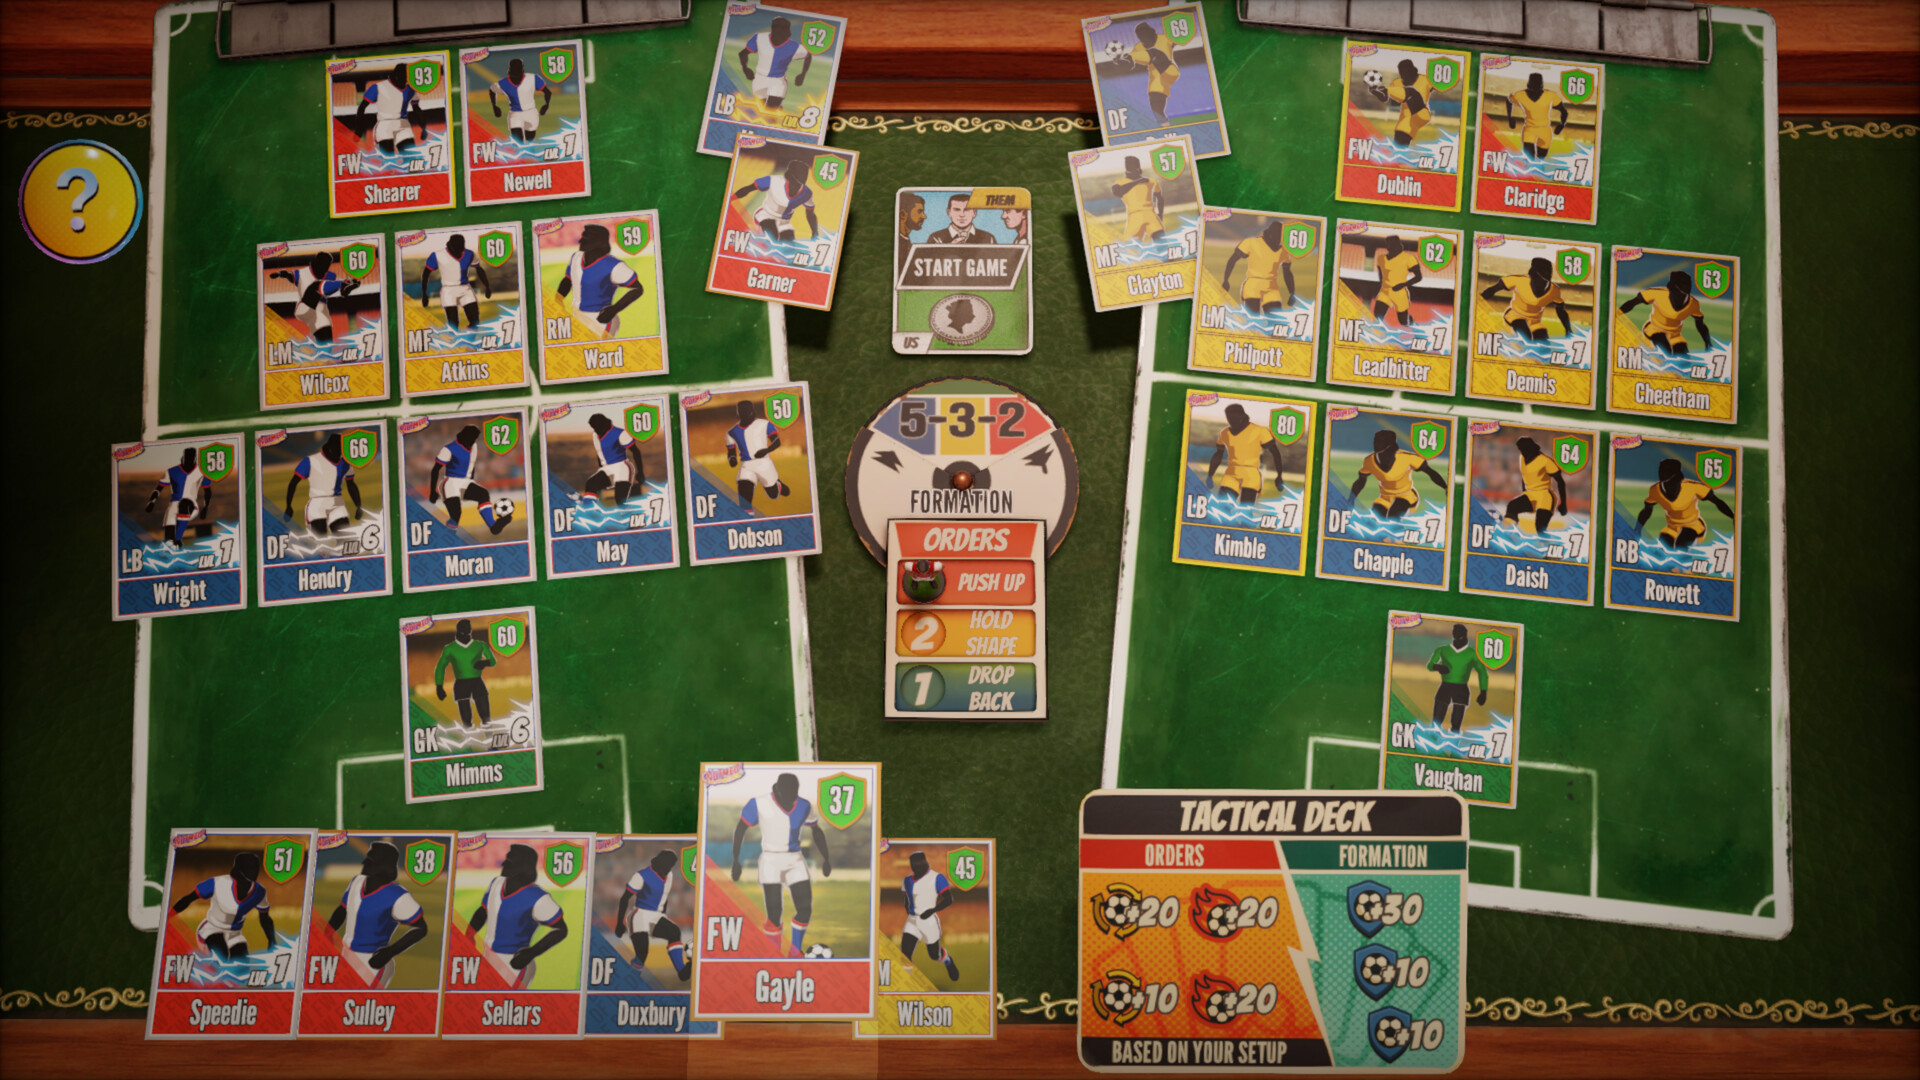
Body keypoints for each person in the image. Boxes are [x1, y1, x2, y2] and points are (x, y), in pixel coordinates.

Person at [731, 772, 832, 957]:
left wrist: (826, 858)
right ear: (777, 790)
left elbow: (816, 831)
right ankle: (773, 953)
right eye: (788, 795)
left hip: (795, 859)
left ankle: (795, 952)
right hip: (770, 860)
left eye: (794, 794)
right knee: (774, 914)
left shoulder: (804, 805)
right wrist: (735, 860)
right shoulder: (758, 803)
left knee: (805, 909)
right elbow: (740, 829)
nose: (791, 799)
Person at [326, 841, 428, 988]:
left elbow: (421, 928)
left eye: (371, 860)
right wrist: (327, 932)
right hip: (345, 955)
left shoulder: (397, 895)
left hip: (372, 961)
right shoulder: (356, 882)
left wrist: (389, 952)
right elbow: (342, 909)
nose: (364, 863)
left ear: (383, 865)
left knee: (364, 1001)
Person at [465, 843, 568, 987]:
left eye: (510, 860)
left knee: (507, 1000)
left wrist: (531, 953)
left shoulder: (537, 897)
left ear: (523, 866)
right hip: (487, 957)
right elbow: (483, 911)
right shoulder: (496, 883)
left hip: (514, 962)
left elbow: (561, 929)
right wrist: (469, 934)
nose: (504, 863)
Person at [171, 850, 275, 964]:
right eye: (250, 867)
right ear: (240, 868)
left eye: (256, 867)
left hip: (235, 934)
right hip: (212, 929)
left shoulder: (259, 891)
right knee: (222, 958)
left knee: (242, 966)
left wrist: (272, 940)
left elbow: (265, 918)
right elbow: (188, 899)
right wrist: (168, 916)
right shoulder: (217, 883)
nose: (254, 870)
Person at [556, 224, 644, 339]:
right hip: (577, 316)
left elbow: (637, 288)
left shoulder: (613, 265)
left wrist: (614, 309)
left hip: (600, 320)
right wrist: (558, 299)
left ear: (597, 242)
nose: (580, 241)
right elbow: (568, 280)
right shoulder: (576, 257)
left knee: (600, 349)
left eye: (585, 238)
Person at [616, 848, 691, 982]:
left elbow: (664, 896)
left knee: (674, 932)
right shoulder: (641, 876)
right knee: (642, 953)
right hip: (639, 915)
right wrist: (619, 923)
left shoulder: (669, 875)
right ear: (659, 863)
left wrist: (663, 917)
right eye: (667, 866)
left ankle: (681, 970)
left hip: (656, 916)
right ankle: (631, 978)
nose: (668, 869)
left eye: (670, 866)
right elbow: (624, 898)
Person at [428, 424, 511, 534]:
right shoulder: (449, 449)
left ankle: (493, 526)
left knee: (483, 494)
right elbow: (435, 469)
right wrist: (432, 491)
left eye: (474, 439)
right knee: (456, 514)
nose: (473, 441)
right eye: (471, 439)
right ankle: (449, 535)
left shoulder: (474, 446)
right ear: (463, 436)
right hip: (451, 483)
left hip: (466, 482)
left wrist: (471, 481)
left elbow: (471, 464)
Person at [1635, 457, 1732, 550]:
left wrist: (1733, 516)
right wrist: (1638, 528)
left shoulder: (1692, 487)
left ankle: (1685, 559)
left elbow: (1717, 502)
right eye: (1662, 470)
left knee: (1680, 548)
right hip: (1672, 527)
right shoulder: (1655, 490)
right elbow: (1647, 510)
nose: (1662, 473)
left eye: (1666, 471)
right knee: (1662, 551)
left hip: (1693, 525)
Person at [1349, 428, 1446, 520]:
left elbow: (1431, 472)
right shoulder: (1369, 461)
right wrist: (1351, 499)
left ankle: (1397, 530)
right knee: (1375, 521)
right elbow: (1360, 482)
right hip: (1385, 498)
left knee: (1393, 517)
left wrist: (1446, 487)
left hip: (1406, 496)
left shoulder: (1407, 458)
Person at [270, 251, 359, 346]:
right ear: (315, 263)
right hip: (305, 307)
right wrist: (281, 274)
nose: (323, 269)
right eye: (322, 266)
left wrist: (350, 284)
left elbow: (343, 292)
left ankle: (326, 352)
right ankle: (343, 283)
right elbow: (290, 276)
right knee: (315, 286)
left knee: (325, 331)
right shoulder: (302, 273)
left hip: (321, 311)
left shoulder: (331, 276)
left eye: (326, 267)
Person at [1206, 403, 1288, 505]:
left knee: (1245, 511)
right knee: (1222, 507)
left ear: (1241, 416)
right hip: (1231, 473)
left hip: (1251, 474)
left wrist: (1279, 475)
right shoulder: (1224, 433)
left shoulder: (1260, 431)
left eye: (1233, 418)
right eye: (1229, 418)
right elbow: (1218, 454)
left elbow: (1275, 453)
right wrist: (1210, 474)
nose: (1231, 421)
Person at [285, 432, 363, 537]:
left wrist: (358, 506)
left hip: (337, 503)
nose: (341, 451)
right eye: (339, 448)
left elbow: (351, 484)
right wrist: (289, 506)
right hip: (317, 504)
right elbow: (293, 483)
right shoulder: (310, 461)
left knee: (345, 540)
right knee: (320, 542)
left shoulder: (345, 463)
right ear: (331, 447)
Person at [1619, 269, 1712, 357]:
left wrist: (1708, 342)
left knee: (1684, 360)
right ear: (1674, 287)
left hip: (1675, 335)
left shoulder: (1693, 304)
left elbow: (1700, 324)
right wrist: (1616, 314)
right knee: (1665, 350)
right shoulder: (1657, 293)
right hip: (1654, 329)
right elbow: (1632, 302)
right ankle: (1648, 355)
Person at [900, 851, 961, 982]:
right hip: (912, 920)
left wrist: (933, 910)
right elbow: (906, 898)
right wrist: (909, 911)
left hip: (928, 920)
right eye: (914, 864)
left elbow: (949, 899)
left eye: (919, 863)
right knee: (905, 953)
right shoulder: (906, 881)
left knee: (934, 955)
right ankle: (906, 983)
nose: (917, 866)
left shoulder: (937, 878)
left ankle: (947, 960)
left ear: (925, 862)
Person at [1481, 256, 1569, 343]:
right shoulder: (1519, 280)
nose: (1540, 282)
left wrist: (1568, 329)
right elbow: (1493, 289)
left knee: (1543, 345)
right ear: (1533, 273)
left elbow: (1561, 311)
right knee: (1526, 338)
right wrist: (1479, 300)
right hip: (1515, 316)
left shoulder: (1554, 290)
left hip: (1535, 322)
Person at [732, 158, 820, 243]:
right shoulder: (773, 180)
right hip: (766, 216)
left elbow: (810, 214)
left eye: (799, 184)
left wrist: (815, 232)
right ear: (789, 177)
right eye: (794, 182)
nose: (796, 186)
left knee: (787, 245)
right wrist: (731, 199)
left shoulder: (806, 193)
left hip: (784, 222)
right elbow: (748, 189)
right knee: (773, 239)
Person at [1221, 219, 1297, 315]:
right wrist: (1226, 280)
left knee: (1276, 321)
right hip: (1253, 285)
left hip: (1272, 288)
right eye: (1278, 236)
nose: (1280, 239)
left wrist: (1292, 292)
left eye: (1281, 236)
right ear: (1270, 234)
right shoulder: (1251, 243)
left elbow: (1287, 272)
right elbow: (1232, 260)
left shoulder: (1283, 251)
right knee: (1253, 319)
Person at [726, 399, 792, 507]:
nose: (745, 413)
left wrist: (766, 450)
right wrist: (732, 458)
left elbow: (777, 441)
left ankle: (778, 486)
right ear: (738, 412)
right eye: (742, 410)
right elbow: (731, 451)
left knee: (773, 494)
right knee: (743, 490)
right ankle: (746, 514)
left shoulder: (764, 424)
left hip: (763, 463)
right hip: (746, 465)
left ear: (752, 410)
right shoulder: (732, 432)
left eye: (747, 410)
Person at [421, 234, 493, 332]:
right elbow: (426, 274)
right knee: (454, 325)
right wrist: (424, 294)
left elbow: (479, 269)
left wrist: (487, 286)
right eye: (458, 246)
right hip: (448, 290)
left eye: (462, 246)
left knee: (475, 321)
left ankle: (469, 339)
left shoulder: (469, 254)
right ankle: (455, 340)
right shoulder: (437, 255)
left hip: (465, 289)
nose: (460, 249)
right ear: (450, 245)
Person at [144, 446, 212, 549]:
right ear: (183, 457)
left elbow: (207, 491)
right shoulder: (172, 471)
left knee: (184, 504)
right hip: (173, 506)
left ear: (194, 458)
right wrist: (151, 502)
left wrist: (205, 508)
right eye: (186, 457)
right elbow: (158, 489)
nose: (188, 460)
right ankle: (171, 548)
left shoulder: (201, 472)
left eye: (191, 458)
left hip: (191, 504)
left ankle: (178, 540)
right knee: (169, 539)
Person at [433, 618, 496, 729]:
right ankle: (469, 736)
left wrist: (484, 662)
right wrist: (439, 686)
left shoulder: (480, 645)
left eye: (469, 628)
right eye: (465, 628)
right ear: (459, 630)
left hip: (477, 681)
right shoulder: (449, 648)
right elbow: (440, 667)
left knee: (486, 716)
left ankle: (490, 737)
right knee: (466, 719)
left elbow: (493, 661)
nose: (468, 630)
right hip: (461, 683)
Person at [1426, 623, 1488, 734]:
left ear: (1465, 635)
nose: (1457, 635)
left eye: (1460, 633)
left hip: (1461, 689)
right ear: (1453, 635)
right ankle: (1432, 739)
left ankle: (1453, 742)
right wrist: (1437, 667)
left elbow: (1482, 672)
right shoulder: (1443, 650)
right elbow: (1430, 665)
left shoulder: (1472, 654)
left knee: (1456, 726)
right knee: (1436, 722)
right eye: (1455, 633)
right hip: (1445, 686)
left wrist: (1483, 691)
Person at [739, 16, 811, 110]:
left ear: (788, 32)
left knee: (770, 110)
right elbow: (743, 53)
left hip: (777, 81)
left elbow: (808, 56)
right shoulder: (759, 38)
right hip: (759, 79)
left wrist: (802, 74)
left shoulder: (794, 47)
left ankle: (776, 109)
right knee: (760, 110)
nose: (781, 33)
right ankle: (778, 109)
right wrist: (745, 69)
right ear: (773, 29)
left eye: (784, 29)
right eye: (778, 29)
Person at [1500, 436, 1566, 537]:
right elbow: (1525, 475)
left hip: (1545, 496)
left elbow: (1560, 482)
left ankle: (1545, 543)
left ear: (1532, 448)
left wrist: (1563, 504)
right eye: (1521, 449)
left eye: (1524, 449)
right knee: (1512, 506)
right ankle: (1509, 534)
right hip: (1530, 494)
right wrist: (1524, 493)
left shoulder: (1545, 461)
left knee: (1540, 527)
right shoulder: (1522, 457)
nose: (1522, 452)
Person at [356, 63, 425, 154]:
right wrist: (359, 129)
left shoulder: (410, 89)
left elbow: (416, 108)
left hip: (403, 124)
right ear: (396, 75)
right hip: (385, 125)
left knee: (410, 157)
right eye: (404, 76)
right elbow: (361, 107)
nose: (406, 79)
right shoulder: (378, 87)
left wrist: (424, 127)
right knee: (388, 158)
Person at [1367, 57, 1433, 149]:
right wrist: (1379, 94)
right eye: (1402, 73)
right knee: (1400, 139)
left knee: (1411, 91)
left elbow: (1441, 85)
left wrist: (1385, 90)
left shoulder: (1425, 80)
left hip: (1422, 113)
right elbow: (1391, 102)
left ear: (1413, 71)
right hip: (1407, 119)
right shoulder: (1396, 83)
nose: (1404, 76)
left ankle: (1384, 90)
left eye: (1406, 73)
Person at [581, 413, 645, 505]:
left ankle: (625, 512)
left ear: (603, 424)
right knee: (591, 484)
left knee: (620, 499)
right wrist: (601, 471)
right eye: (593, 427)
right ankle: (590, 510)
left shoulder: (620, 433)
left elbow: (636, 452)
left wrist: (640, 472)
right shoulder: (595, 435)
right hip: (607, 469)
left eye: (596, 427)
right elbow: (600, 452)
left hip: (622, 467)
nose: (595, 430)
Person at [1124, 20, 1181, 126]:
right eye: (1142, 38)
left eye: (1147, 36)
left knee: (1154, 52)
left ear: (1153, 33)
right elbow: (1132, 62)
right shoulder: (1138, 47)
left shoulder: (1164, 38)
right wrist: (1125, 61)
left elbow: (1181, 39)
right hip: (1157, 78)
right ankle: (1165, 126)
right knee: (1156, 107)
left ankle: (1129, 56)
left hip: (1170, 71)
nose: (1146, 40)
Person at [1504, 71, 1568, 160]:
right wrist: (1509, 118)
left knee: (1541, 159)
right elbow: (1509, 101)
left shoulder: (1550, 95)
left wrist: (1562, 125)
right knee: (1529, 158)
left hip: (1545, 130)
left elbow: (1564, 111)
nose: (1535, 87)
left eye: (1537, 83)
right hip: (1529, 129)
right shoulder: (1520, 95)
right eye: (1533, 83)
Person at [488, 57, 551, 143]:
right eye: (514, 68)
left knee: (529, 142)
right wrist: (494, 106)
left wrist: (546, 105)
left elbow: (547, 92)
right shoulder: (502, 84)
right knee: (518, 142)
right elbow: (492, 90)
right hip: (515, 114)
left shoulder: (533, 78)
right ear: (510, 69)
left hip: (531, 113)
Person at [1372, 235, 1423, 328]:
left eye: (1392, 244)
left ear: (1398, 244)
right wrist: (1382, 284)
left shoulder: (1409, 259)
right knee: (1377, 317)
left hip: (1399, 293)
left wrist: (1403, 285)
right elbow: (1380, 272)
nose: (1389, 247)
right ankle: (1378, 334)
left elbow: (1418, 277)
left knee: (1403, 322)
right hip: (1385, 291)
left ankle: (1413, 323)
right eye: (1388, 244)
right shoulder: (1381, 258)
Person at [1112, 156, 1165, 243]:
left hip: (1145, 215)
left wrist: (1160, 214)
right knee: (1131, 247)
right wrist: (1138, 181)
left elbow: (1160, 198)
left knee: (1162, 243)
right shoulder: (1120, 183)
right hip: (1137, 216)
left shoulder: (1150, 181)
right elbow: (1117, 192)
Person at [927, 192, 993, 244]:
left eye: (966, 210)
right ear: (949, 212)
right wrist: (948, 249)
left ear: (974, 213)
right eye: (957, 210)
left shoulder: (988, 238)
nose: (962, 214)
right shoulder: (936, 238)